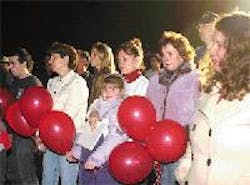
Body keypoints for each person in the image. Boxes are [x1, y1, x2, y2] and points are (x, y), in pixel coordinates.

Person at [175, 11, 250, 185]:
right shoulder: (209, 91)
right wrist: (184, 172)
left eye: (219, 44)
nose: (210, 49)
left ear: (240, 50)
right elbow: (194, 144)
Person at [146, 31, 200, 185]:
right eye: (163, 54)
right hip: (156, 144)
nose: (165, 58)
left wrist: (189, 136)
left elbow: (199, 111)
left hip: (182, 146)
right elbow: (148, 108)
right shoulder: (155, 80)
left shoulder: (194, 79)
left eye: (170, 53)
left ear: (182, 54)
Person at [42, 42, 89, 185]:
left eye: (54, 57)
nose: (50, 61)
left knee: (68, 180)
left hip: (69, 139)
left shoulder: (78, 83)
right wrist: (41, 135)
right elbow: (44, 111)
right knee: (48, 179)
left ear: (66, 59)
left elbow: (69, 115)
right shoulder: (52, 82)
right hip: (50, 137)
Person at [68, 74, 128, 185]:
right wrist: (77, 152)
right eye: (105, 88)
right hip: (88, 159)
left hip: (105, 163)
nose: (108, 92)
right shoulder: (97, 107)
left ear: (121, 91)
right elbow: (88, 133)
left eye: (113, 89)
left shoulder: (119, 110)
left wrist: (96, 159)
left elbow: (115, 138)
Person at [6, 47, 41, 185]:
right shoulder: (14, 83)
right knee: (13, 174)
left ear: (24, 63)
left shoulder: (33, 84)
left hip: (26, 137)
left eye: (13, 63)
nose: (10, 67)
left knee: (26, 174)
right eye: (9, 63)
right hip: (13, 135)